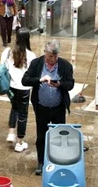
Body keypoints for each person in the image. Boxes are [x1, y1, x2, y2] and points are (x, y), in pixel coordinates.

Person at [21, 40, 75, 175]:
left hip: (58, 108)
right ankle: (41, 161)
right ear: (45, 53)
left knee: (59, 136)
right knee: (41, 136)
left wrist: (60, 84)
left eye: (56, 56)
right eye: (51, 56)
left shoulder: (65, 65)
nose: (53, 59)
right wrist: (39, 80)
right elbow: (25, 80)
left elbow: (70, 84)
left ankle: (58, 161)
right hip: (42, 108)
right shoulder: (36, 64)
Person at [0, 28, 37, 152]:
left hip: (10, 86)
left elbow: (2, 67)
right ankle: (20, 142)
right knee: (23, 114)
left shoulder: (8, 52)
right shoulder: (31, 55)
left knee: (14, 107)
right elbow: (34, 74)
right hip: (24, 88)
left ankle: (11, 132)